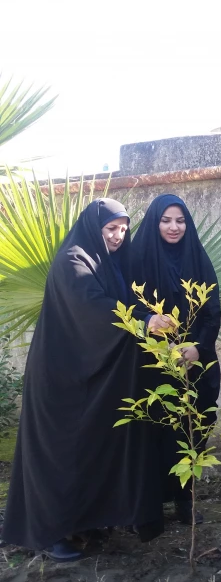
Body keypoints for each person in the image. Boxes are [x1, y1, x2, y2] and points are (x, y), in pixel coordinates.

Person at [1, 199, 166, 561]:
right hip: (59, 381)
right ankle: (49, 534)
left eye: (123, 229)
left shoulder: (107, 263)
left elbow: (118, 304)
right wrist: (142, 323)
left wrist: (151, 318)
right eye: (111, 229)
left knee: (89, 452)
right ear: (94, 228)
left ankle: (85, 524)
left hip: (86, 378)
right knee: (60, 456)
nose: (119, 236)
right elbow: (93, 307)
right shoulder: (73, 261)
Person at [130, 194, 221, 526]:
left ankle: (186, 499)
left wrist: (197, 347)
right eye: (166, 220)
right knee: (153, 433)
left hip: (194, 364)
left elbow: (212, 313)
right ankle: (149, 506)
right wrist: (153, 332)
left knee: (192, 430)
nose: (174, 227)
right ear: (155, 223)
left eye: (180, 220)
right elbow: (129, 309)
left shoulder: (197, 259)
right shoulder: (136, 260)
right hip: (152, 368)